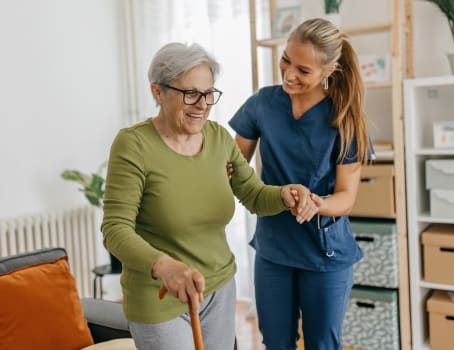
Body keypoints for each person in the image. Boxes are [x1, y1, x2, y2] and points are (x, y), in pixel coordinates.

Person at [101, 42, 318, 350]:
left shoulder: (217, 138)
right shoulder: (133, 145)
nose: (202, 104)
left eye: (208, 93)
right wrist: (165, 267)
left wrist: (285, 194)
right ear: (157, 92)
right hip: (160, 293)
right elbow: (115, 229)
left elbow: (254, 195)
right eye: (190, 93)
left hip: (218, 286)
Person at [229, 18, 372, 350]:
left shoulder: (344, 117)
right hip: (274, 249)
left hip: (325, 252)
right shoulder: (262, 104)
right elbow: (233, 167)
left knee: (322, 344)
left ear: (329, 70)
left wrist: (316, 203)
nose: (289, 74)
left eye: (303, 70)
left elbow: (346, 198)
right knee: (276, 343)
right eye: (286, 60)